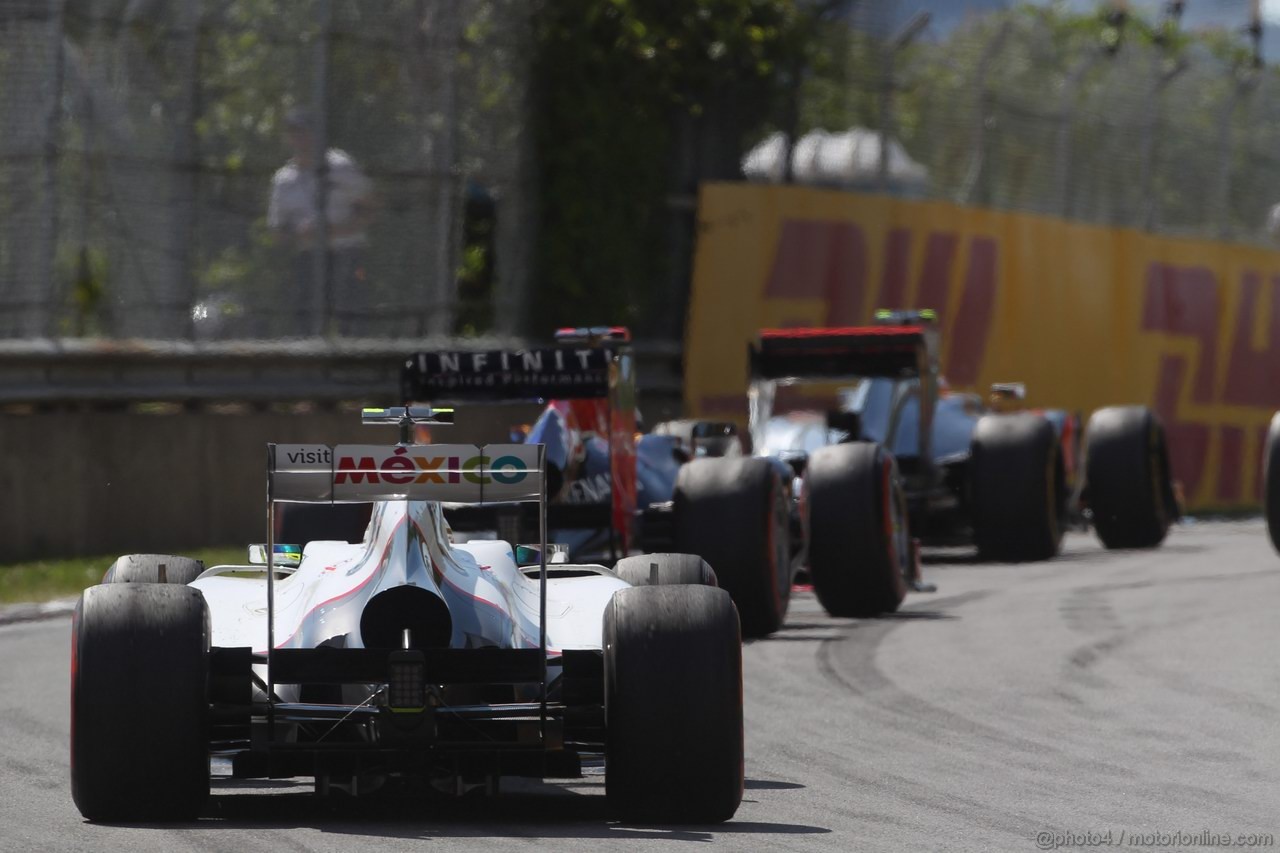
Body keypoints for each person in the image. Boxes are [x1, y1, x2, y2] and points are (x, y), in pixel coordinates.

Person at [267, 107, 375, 335]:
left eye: (304, 131)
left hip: (348, 253)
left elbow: (369, 208)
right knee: (308, 325)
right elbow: (277, 231)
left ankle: (356, 367)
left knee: (353, 322)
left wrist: (336, 230)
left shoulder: (342, 165)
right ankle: (310, 368)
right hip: (309, 259)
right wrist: (300, 235)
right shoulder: (283, 180)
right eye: (293, 132)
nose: (300, 138)